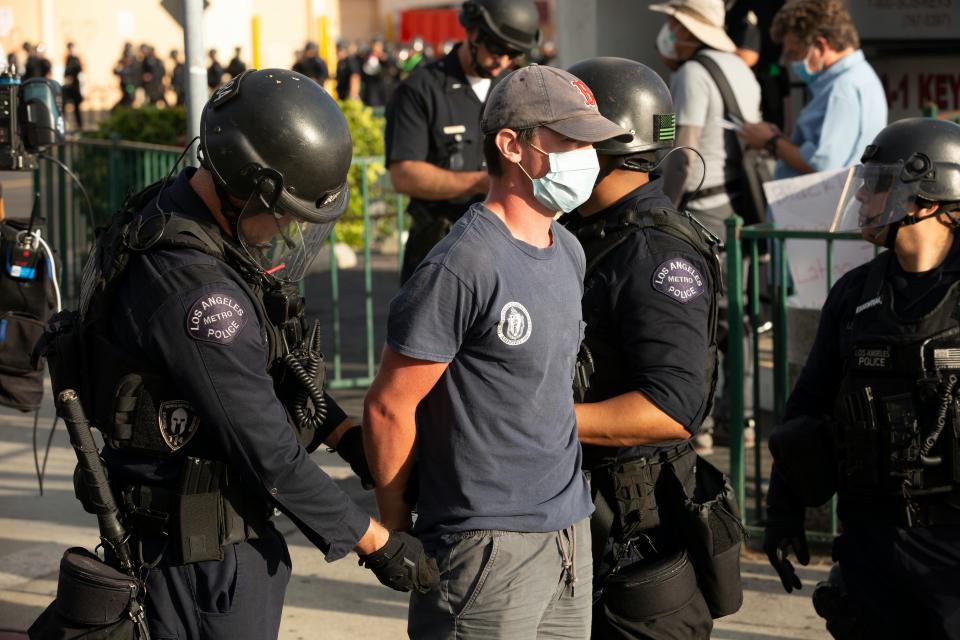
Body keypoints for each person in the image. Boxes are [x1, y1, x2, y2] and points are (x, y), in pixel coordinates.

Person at [40, 69, 439, 639]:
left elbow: (269, 372)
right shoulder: (197, 293)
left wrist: (347, 438)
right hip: (204, 563)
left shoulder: (175, 211)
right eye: (286, 214)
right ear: (249, 187)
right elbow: (269, 453)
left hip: (201, 542)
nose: (291, 229)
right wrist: (377, 544)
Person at [364, 63, 630, 638]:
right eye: (572, 140)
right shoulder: (462, 264)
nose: (588, 156)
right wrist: (393, 530)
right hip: (481, 548)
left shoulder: (567, 249)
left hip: (568, 534)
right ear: (512, 145)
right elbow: (389, 407)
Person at [562, 57, 740, 639]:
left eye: (567, 134)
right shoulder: (589, 230)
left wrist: (534, 420)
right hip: (584, 524)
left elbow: (671, 408)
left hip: (636, 539)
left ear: (610, 144)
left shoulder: (654, 254)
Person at [763, 118, 960, 639]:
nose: (866, 198)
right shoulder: (855, 294)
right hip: (872, 544)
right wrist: (784, 512)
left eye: (880, 185)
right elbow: (807, 410)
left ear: (926, 197)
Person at [651, 0, 761, 454]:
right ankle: (746, 417)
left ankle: (704, 421)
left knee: (703, 318)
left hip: (704, 209)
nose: (670, 29)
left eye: (675, 21)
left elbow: (683, 151)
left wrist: (661, 208)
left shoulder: (692, 74)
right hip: (739, 206)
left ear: (688, 27)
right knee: (740, 317)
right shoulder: (741, 69)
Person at [386, 0, 540, 283]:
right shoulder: (420, 89)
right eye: (497, 49)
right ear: (473, 33)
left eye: (514, 53)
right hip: (440, 249)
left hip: (506, 245)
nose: (504, 61)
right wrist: (485, 182)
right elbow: (404, 175)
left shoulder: (516, 89)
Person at [738, 0, 887, 180]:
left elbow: (821, 165)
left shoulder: (842, 89)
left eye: (794, 53)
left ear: (821, 46)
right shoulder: (857, 77)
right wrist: (781, 140)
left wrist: (772, 142)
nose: (788, 62)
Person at [359, 37, 389, 107]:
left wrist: (382, 57)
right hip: (370, 91)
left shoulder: (386, 57)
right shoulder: (367, 57)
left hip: (383, 92)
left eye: (378, 46)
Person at [62, 42, 83, 129]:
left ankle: (79, 125)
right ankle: (64, 123)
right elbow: (66, 72)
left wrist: (71, 77)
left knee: (76, 106)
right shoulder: (68, 59)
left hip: (74, 85)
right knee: (64, 104)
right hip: (69, 85)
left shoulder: (76, 59)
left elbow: (78, 70)